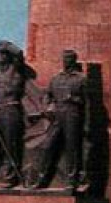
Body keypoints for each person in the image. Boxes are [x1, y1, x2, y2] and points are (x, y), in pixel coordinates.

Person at [0, 40, 35, 186]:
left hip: (11, 110)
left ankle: (10, 177)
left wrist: (4, 45)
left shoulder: (15, 70)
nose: (2, 56)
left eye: (5, 54)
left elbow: (19, 54)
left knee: (11, 145)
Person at [37, 49, 87, 189]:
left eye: (69, 59)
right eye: (64, 59)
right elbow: (48, 94)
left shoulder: (81, 79)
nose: (66, 61)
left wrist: (74, 99)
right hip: (57, 116)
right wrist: (47, 106)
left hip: (73, 115)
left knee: (72, 149)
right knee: (47, 145)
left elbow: (88, 102)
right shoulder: (56, 78)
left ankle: (72, 180)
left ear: (74, 60)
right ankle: (42, 178)